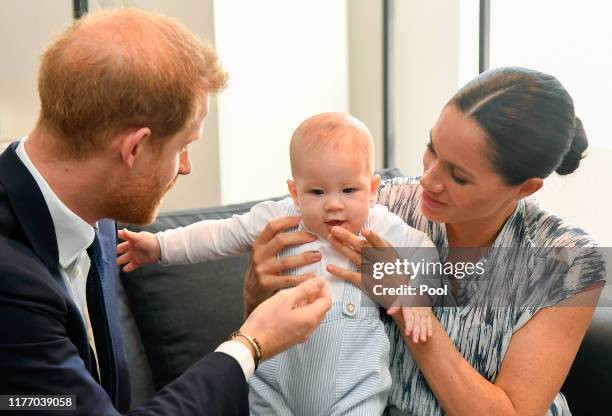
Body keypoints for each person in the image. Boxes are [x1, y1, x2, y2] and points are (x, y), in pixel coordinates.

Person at [0, 8, 331, 415]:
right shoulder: (10, 280)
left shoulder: (97, 213)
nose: (187, 167)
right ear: (134, 148)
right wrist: (250, 344)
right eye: (183, 148)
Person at [243, 67, 606, 416]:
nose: (429, 181)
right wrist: (256, 293)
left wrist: (406, 301)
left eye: (459, 177)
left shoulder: (568, 261)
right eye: (432, 149)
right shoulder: (379, 207)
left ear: (525, 188)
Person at [116, 112, 438, 415]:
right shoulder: (281, 217)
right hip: (277, 385)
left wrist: (416, 297)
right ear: (295, 192)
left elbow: (426, 253)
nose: (334, 205)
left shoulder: (379, 225)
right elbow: (221, 235)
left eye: (349, 190)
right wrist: (159, 246)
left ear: (372, 189)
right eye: (317, 192)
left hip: (353, 391)